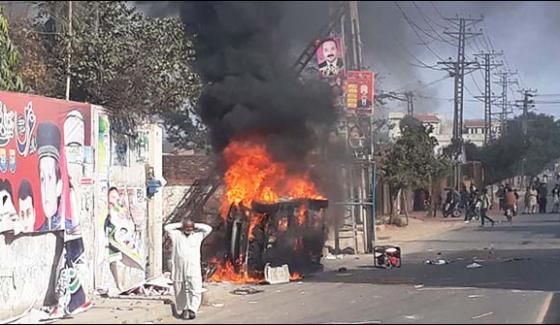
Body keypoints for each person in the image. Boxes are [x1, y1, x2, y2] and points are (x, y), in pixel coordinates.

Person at [165, 218, 212, 320]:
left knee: (195, 288)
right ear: (183, 228)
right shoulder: (176, 235)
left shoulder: (197, 235)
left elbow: (208, 228)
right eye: (187, 227)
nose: (189, 229)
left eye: (190, 227)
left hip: (193, 266)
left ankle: (192, 310)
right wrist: (181, 224)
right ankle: (183, 309)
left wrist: (195, 225)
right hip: (179, 266)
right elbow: (167, 227)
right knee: (179, 287)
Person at [37, 122, 72, 231]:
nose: (46, 188)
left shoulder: (70, 228)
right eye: (42, 179)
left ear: (59, 185)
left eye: (50, 177)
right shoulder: (37, 232)